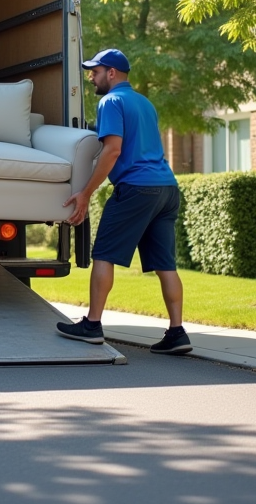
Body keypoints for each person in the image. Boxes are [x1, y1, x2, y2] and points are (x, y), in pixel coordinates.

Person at [56, 48, 191, 355]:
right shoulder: (145, 103)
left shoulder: (111, 101)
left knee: (104, 254)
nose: (91, 77)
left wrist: (86, 193)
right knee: (165, 265)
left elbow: (112, 151)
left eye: (96, 71)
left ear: (112, 73)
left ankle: (92, 325)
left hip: (136, 189)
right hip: (167, 189)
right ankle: (177, 331)